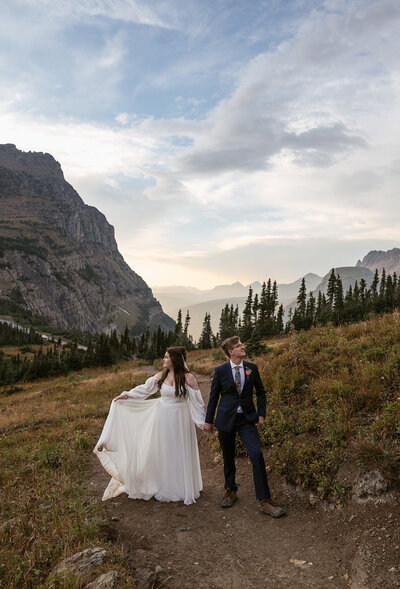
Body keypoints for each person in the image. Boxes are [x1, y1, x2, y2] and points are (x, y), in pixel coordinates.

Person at [94, 346, 205, 505]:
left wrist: (202, 423)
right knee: (164, 451)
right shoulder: (161, 376)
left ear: (174, 359)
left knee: (180, 450)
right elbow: (145, 390)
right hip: (163, 418)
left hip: (181, 419)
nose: (163, 359)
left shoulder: (189, 378)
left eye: (166, 357)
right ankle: (165, 486)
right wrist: (127, 395)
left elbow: (197, 403)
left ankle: (182, 487)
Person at [203, 336, 285, 518]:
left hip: (247, 419)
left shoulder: (252, 368)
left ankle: (264, 500)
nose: (242, 347)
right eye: (239, 346)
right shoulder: (220, 371)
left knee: (256, 453)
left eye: (241, 344)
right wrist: (209, 420)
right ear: (230, 351)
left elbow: (261, 392)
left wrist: (261, 414)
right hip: (226, 420)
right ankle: (230, 490)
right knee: (228, 456)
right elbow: (214, 397)